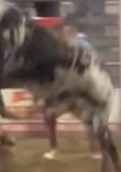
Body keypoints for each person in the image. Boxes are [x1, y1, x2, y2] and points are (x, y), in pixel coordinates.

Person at [42, 25, 100, 160]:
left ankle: (95, 149)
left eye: (66, 35)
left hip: (79, 91)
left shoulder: (81, 48)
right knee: (50, 115)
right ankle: (55, 149)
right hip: (70, 92)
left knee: (87, 118)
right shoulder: (66, 50)